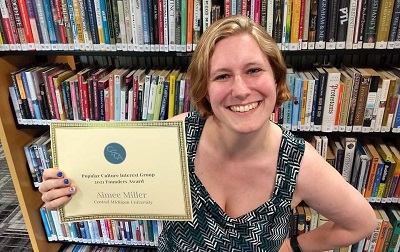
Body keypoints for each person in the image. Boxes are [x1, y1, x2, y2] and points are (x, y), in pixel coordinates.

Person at [39, 15, 376, 252]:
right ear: (205, 90)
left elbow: (360, 223)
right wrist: (70, 186)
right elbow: (116, 178)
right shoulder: (176, 136)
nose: (241, 90)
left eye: (254, 70)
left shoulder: (298, 163)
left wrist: (295, 246)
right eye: (222, 76)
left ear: (276, 79)